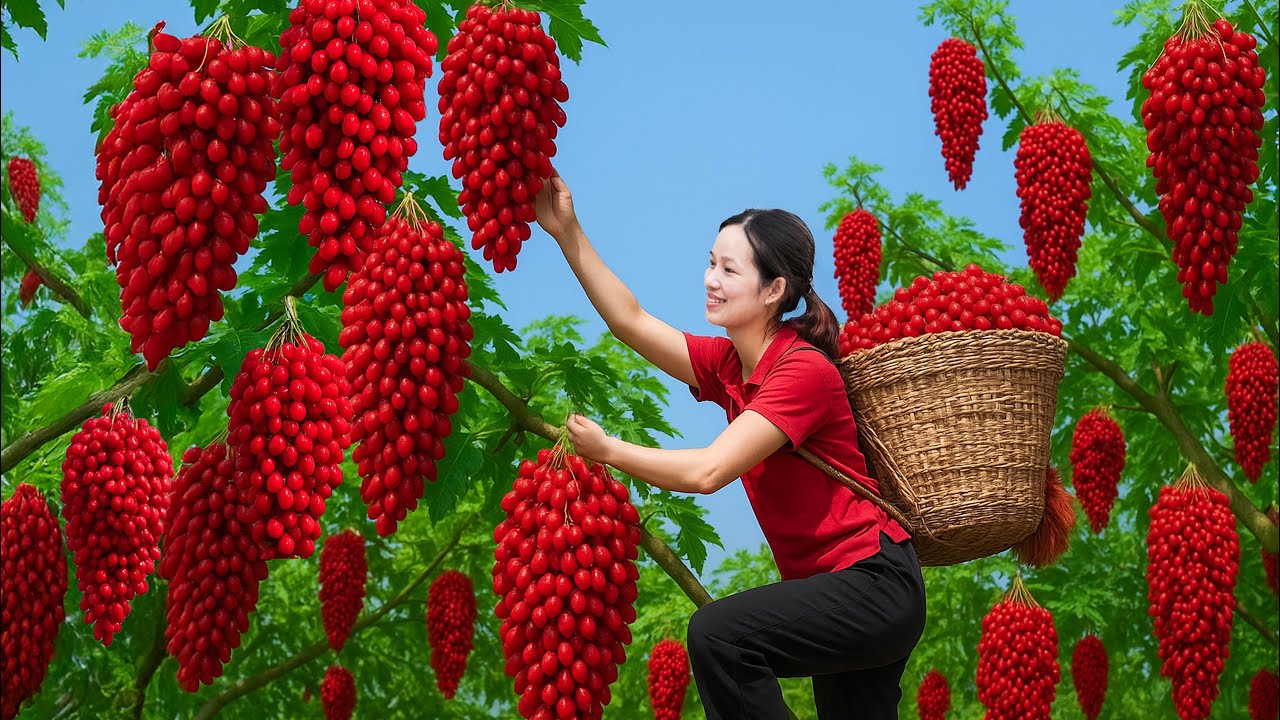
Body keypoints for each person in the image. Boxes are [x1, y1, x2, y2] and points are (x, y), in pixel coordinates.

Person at [533, 172, 926, 719]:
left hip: (872, 586)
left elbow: (708, 471)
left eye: (728, 269)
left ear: (774, 290)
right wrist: (566, 231)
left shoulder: (802, 371)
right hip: (840, 592)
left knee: (720, 636)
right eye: (710, 262)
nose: (710, 279)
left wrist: (609, 451)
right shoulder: (728, 366)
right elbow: (630, 321)